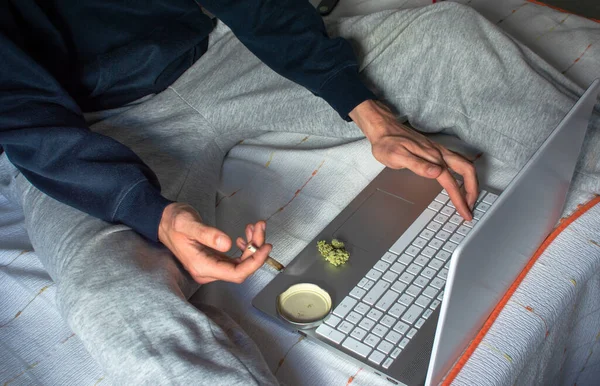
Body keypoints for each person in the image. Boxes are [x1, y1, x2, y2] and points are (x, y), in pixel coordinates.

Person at [1, 0, 598, 384]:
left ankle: (588, 199)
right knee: (110, 296)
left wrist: (368, 111)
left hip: (224, 53)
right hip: (91, 129)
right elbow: (23, 114)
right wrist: (148, 214)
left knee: (449, 33)